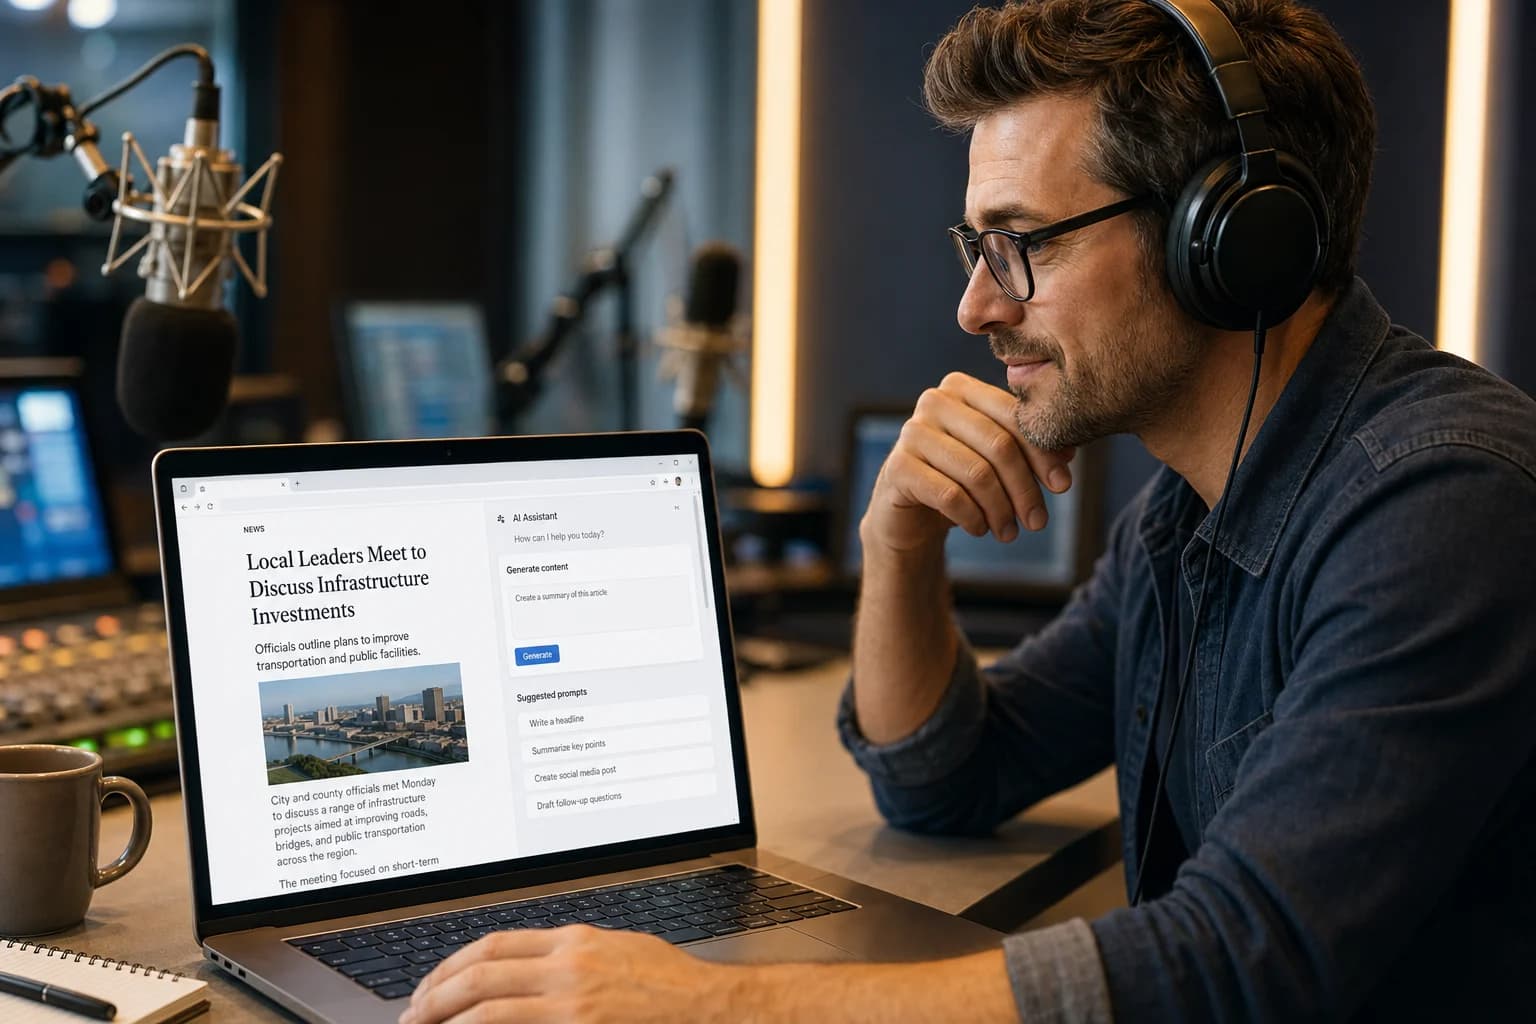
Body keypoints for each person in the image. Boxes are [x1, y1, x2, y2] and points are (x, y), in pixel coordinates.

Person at [400, 1, 1536, 1020]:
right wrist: (896, 541)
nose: (976, 305)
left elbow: (1244, 962)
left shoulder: (1443, 503)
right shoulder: (1186, 514)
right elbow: (946, 778)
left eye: (1020, 243)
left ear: (1229, 237)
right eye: (976, 247)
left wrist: (712, 1004)